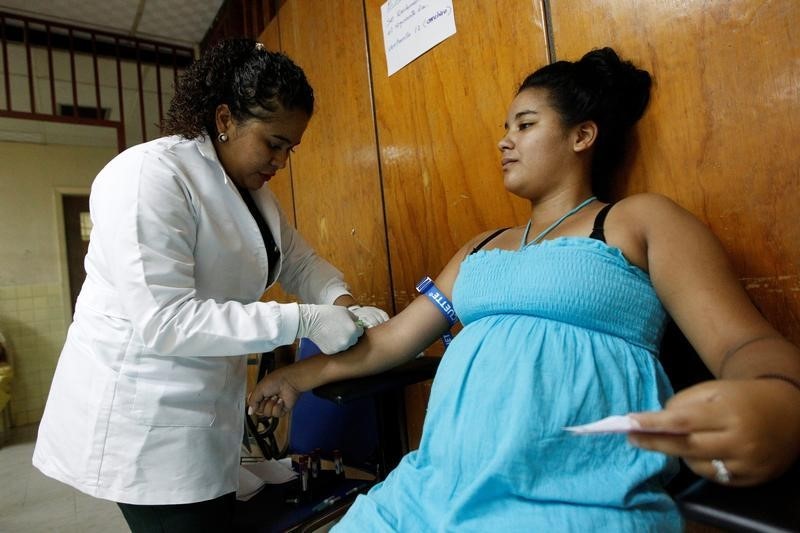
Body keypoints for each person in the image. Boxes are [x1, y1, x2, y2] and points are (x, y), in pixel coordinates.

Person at [249, 47, 800, 531]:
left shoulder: (638, 222)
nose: (503, 141)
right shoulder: (479, 248)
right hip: (428, 494)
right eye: (506, 127)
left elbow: (741, 343)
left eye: (525, 125)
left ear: (582, 135)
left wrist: (776, 402)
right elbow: (394, 340)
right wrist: (300, 375)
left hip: (570, 502)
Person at [32, 38, 389, 531]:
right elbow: (165, 321)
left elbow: (302, 265)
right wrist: (302, 320)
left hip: (202, 413)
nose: (281, 161)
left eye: (291, 148)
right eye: (273, 143)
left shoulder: (254, 197)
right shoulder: (148, 176)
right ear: (225, 120)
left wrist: (346, 305)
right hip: (142, 421)